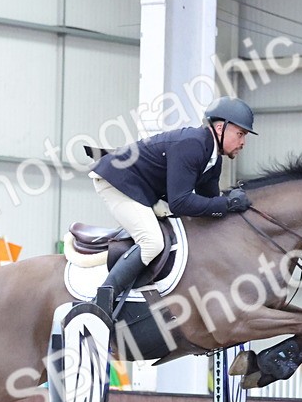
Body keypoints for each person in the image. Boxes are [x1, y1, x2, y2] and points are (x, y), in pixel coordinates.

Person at [89, 96, 256, 304]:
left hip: (144, 189)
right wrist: (227, 203)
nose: (243, 142)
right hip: (118, 181)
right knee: (152, 242)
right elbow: (181, 203)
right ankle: (102, 301)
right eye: (240, 134)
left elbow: (209, 203)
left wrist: (231, 208)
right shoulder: (192, 145)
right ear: (221, 128)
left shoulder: (212, 159)